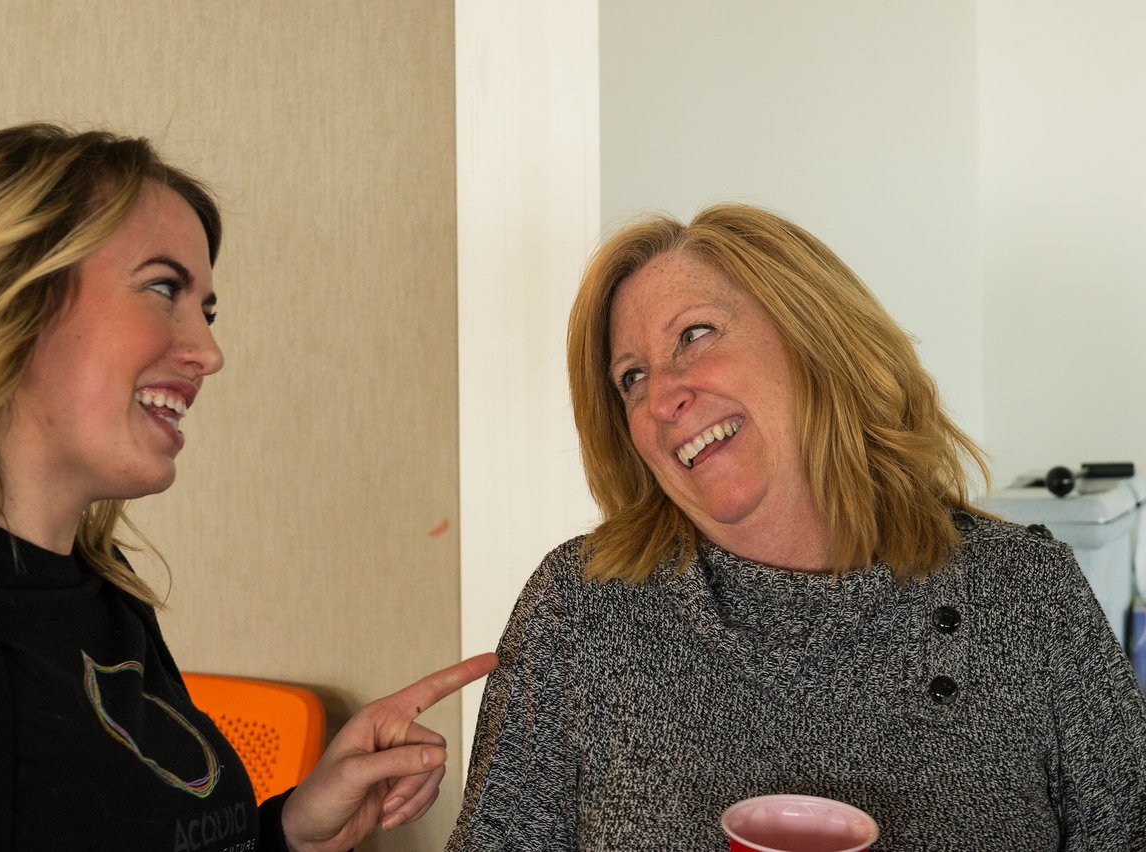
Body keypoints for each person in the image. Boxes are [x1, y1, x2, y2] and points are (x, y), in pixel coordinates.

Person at [0, 123, 495, 852]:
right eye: (163, 288)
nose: (209, 352)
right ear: (6, 300)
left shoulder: (108, 596)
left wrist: (291, 834)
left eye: (207, 309)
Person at [446, 203, 1146, 850]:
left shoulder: (1027, 597)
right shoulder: (579, 609)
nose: (661, 397)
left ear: (816, 338)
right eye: (631, 377)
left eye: (695, 335)